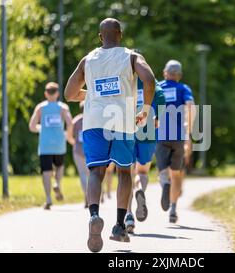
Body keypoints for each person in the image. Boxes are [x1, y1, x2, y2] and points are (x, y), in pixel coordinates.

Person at [64, 18, 155, 253]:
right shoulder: (131, 56)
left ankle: (94, 214)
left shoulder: (88, 60)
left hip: (93, 122)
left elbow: (69, 93)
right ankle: (118, 226)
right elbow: (149, 80)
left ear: (100, 37)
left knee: (96, 171)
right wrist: (144, 110)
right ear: (120, 35)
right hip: (123, 120)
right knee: (125, 171)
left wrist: (92, 93)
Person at [156, 60, 196, 223]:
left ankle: (165, 183)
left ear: (165, 73)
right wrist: (188, 132)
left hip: (161, 136)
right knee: (177, 174)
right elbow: (191, 106)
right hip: (179, 137)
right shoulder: (183, 89)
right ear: (179, 75)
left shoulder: (159, 87)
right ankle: (173, 208)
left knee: (162, 172)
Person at [125, 78, 166, 234]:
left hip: (126, 127)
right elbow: (161, 96)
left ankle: (128, 216)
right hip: (147, 127)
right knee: (142, 171)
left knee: (126, 172)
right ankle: (139, 190)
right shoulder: (149, 79)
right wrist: (158, 118)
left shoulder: (125, 77)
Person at [29, 82, 73, 210]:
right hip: (59, 144)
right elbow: (70, 124)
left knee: (46, 172)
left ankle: (48, 198)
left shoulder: (40, 108)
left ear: (46, 94)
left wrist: (41, 128)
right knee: (60, 167)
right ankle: (57, 183)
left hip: (45, 146)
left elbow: (31, 126)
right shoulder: (63, 108)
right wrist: (68, 135)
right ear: (58, 93)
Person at [68, 101, 89, 208]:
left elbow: (69, 136)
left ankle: (86, 197)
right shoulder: (93, 120)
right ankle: (92, 197)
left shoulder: (75, 121)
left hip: (78, 150)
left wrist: (75, 144)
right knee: (92, 175)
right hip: (91, 150)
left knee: (82, 175)